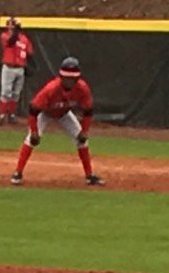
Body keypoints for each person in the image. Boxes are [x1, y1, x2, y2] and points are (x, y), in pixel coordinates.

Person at [10, 56, 105, 186]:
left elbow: (88, 111)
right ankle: (18, 172)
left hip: (64, 114)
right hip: (45, 113)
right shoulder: (51, 89)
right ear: (61, 77)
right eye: (67, 78)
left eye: (73, 78)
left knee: (82, 140)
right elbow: (33, 110)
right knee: (31, 140)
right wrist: (34, 131)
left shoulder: (82, 89)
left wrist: (85, 131)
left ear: (77, 78)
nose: (69, 81)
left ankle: (89, 176)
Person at [0, 16, 34, 125]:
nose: (10, 27)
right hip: (9, 68)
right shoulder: (4, 36)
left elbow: (30, 52)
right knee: (5, 93)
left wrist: (28, 65)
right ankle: (1, 115)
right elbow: (11, 41)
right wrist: (16, 32)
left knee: (16, 94)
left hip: (20, 68)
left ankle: (11, 115)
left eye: (12, 25)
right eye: (9, 25)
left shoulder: (24, 39)